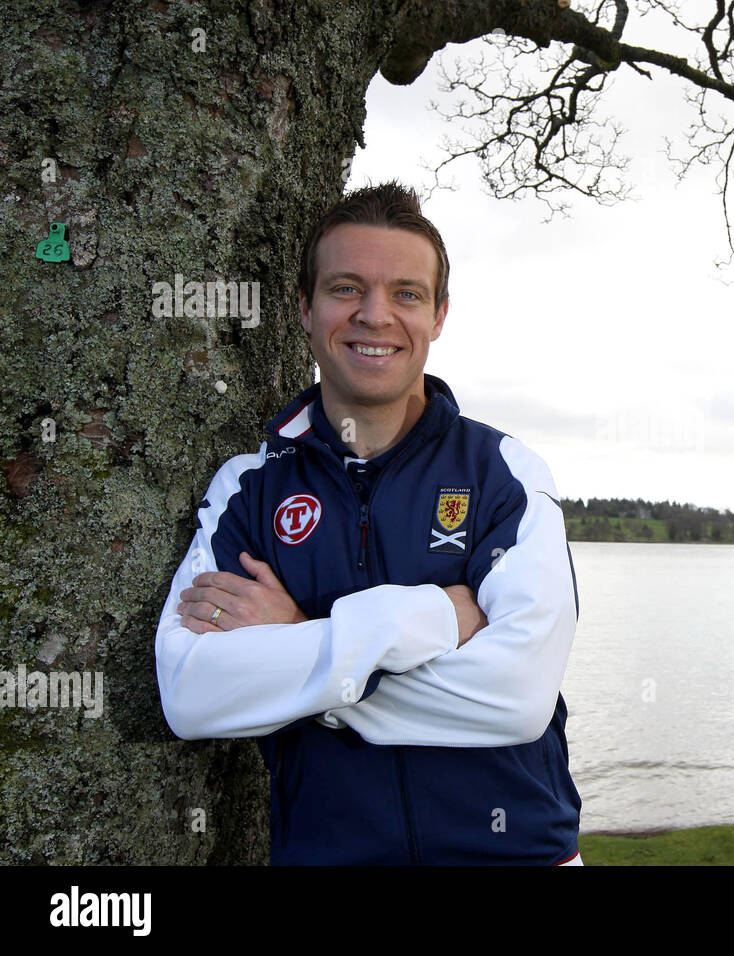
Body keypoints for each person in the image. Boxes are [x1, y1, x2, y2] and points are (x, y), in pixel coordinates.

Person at [153, 181, 582, 865]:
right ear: (306, 307)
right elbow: (193, 693)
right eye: (346, 288)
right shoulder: (249, 489)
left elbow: (518, 698)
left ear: (439, 315)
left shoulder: (504, 471)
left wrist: (296, 648)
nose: (375, 315)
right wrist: (429, 620)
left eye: (406, 294)